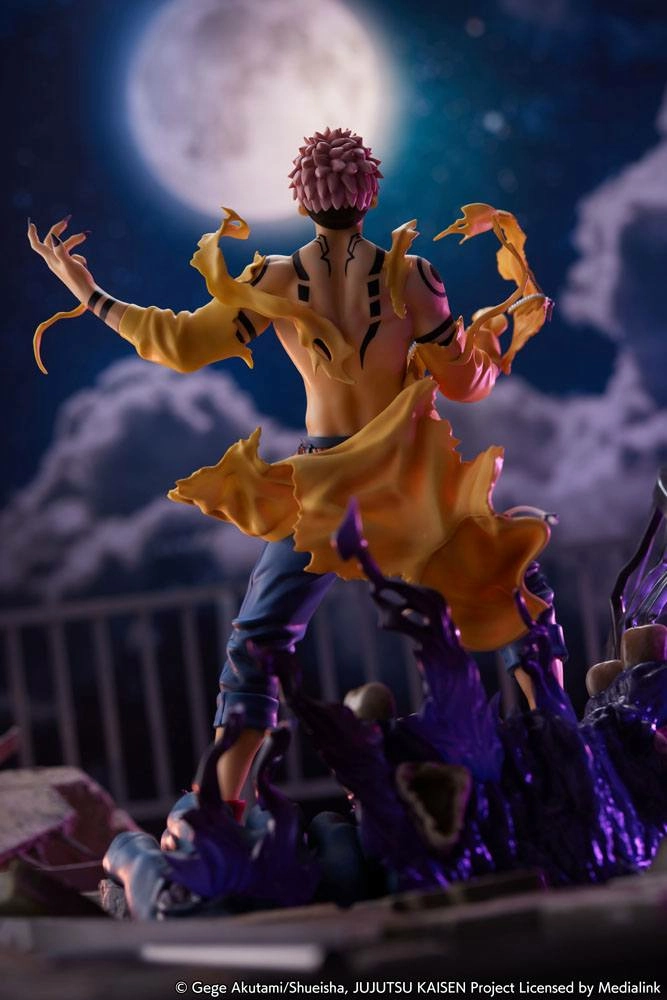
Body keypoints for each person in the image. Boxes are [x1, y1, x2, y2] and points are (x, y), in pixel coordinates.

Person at [28, 127, 555, 806]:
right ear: (370, 194)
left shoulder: (277, 277)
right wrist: (492, 336)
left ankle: (221, 805)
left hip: (326, 483)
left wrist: (92, 294)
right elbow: (463, 385)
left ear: (301, 200)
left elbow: (179, 343)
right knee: (511, 584)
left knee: (259, 640)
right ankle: (555, 738)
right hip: (405, 480)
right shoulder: (412, 275)